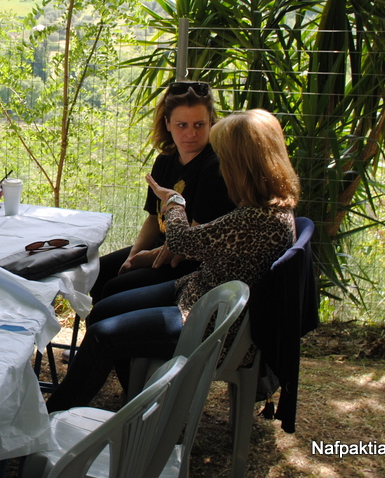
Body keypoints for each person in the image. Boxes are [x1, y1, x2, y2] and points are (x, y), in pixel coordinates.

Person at [46, 109, 300, 413]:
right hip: (199, 294)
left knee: (102, 336)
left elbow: (182, 243)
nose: (222, 169)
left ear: (244, 165)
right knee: (104, 309)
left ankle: (57, 414)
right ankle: (138, 398)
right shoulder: (269, 208)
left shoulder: (257, 219)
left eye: (226, 160)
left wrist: (174, 202)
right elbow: (203, 239)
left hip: (207, 325)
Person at [90, 81, 235, 304]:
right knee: (97, 273)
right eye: (181, 125)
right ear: (167, 123)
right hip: (161, 247)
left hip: (186, 263)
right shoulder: (164, 161)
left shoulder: (214, 168)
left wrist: (140, 261)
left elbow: (191, 245)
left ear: (211, 124)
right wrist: (132, 256)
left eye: (199, 125)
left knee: (114, 288)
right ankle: (97, 336)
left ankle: (114, 336)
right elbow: (152, 219)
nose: (191, 134)